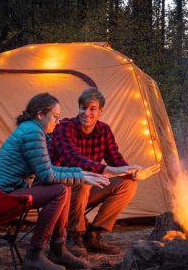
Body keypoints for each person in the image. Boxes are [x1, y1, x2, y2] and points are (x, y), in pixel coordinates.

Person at [0, 93, 109, 270]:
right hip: (0, 195)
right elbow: (47, 174)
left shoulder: (32, 129)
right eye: (55, 117)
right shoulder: (33, 132)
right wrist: (80, 177)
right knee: (59, 190)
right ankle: (34, 254)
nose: (58, 122)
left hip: (6, 190)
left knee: (62, 187)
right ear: (41, 114)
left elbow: (48, 168)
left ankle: (58, 250)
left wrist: (80, 173)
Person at [49, 87, 161, 256]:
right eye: (83, 108)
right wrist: (107, 170)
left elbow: (115, 158)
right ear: (78, 108)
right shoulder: (64, 128)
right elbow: (74, 159)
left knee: (128, 184)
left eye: (92, 109)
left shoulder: (104, 130)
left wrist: (133, 173)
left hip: (86, 186)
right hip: (60, 187)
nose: (87, 113)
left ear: (100, 111)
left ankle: (93, 234)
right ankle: (74, 235)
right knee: (84, 180)